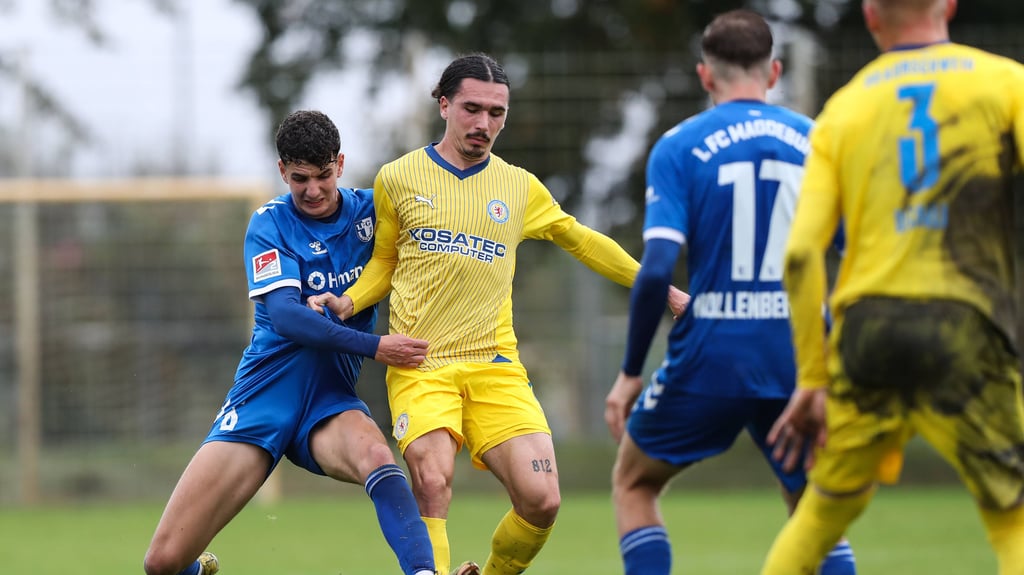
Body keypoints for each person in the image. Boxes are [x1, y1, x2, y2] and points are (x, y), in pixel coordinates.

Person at [308, 53, 687, 575]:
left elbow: (582, 240)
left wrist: (663, 290)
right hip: (424, 363)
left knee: (542, 500)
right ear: (444, 105)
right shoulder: (398, 178)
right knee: (433, 478)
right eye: (471, 109)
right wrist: (349, 301)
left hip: (495, 364)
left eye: (496, 112)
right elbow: (385, 263)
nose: (484, 124)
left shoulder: (519, 187)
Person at [761, 0, 1024, 573]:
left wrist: (812, 376)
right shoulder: (1006, 83)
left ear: (871, 14)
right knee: (1014, 517)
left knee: (821, 515)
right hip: (967, 325)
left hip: (866, 335)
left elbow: (803, 253)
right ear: (949, 5)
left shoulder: (843, 111)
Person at [603, 10, 857, 575]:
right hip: (799, 357)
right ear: (775, 71)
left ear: (704, 75)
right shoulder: (819, 142)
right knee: (813, 509)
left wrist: (629, 372)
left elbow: (656, 268)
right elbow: (856, 256)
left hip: (711, 352)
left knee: (634, 482)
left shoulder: (680, 146)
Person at [142, 110, 436, 575]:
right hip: (263, 401)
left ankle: (424, 572)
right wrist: (377, 347)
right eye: (300, 178)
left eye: (323, 176)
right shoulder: (269, 225)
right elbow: (286, 317)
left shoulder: (372, 213)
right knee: (161, 564)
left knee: (379, 457)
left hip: (329, 403)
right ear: (282, 171)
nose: (313, 190)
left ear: (340, 163)